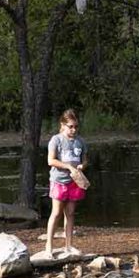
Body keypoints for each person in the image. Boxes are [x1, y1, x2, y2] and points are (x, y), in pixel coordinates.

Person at [45, 109, 89, 257]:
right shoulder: (56, 140)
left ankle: (68, 246)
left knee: (70, 213)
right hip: (59, 180)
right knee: (56, 213)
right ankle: (49, 247)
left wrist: (82, 165)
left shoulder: (80, 141)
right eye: (70, 126)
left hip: (75, 182)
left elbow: (84, 159)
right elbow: (51, 160)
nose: (74, 129)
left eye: (76, 126)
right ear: (63, 125)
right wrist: (68, 166)